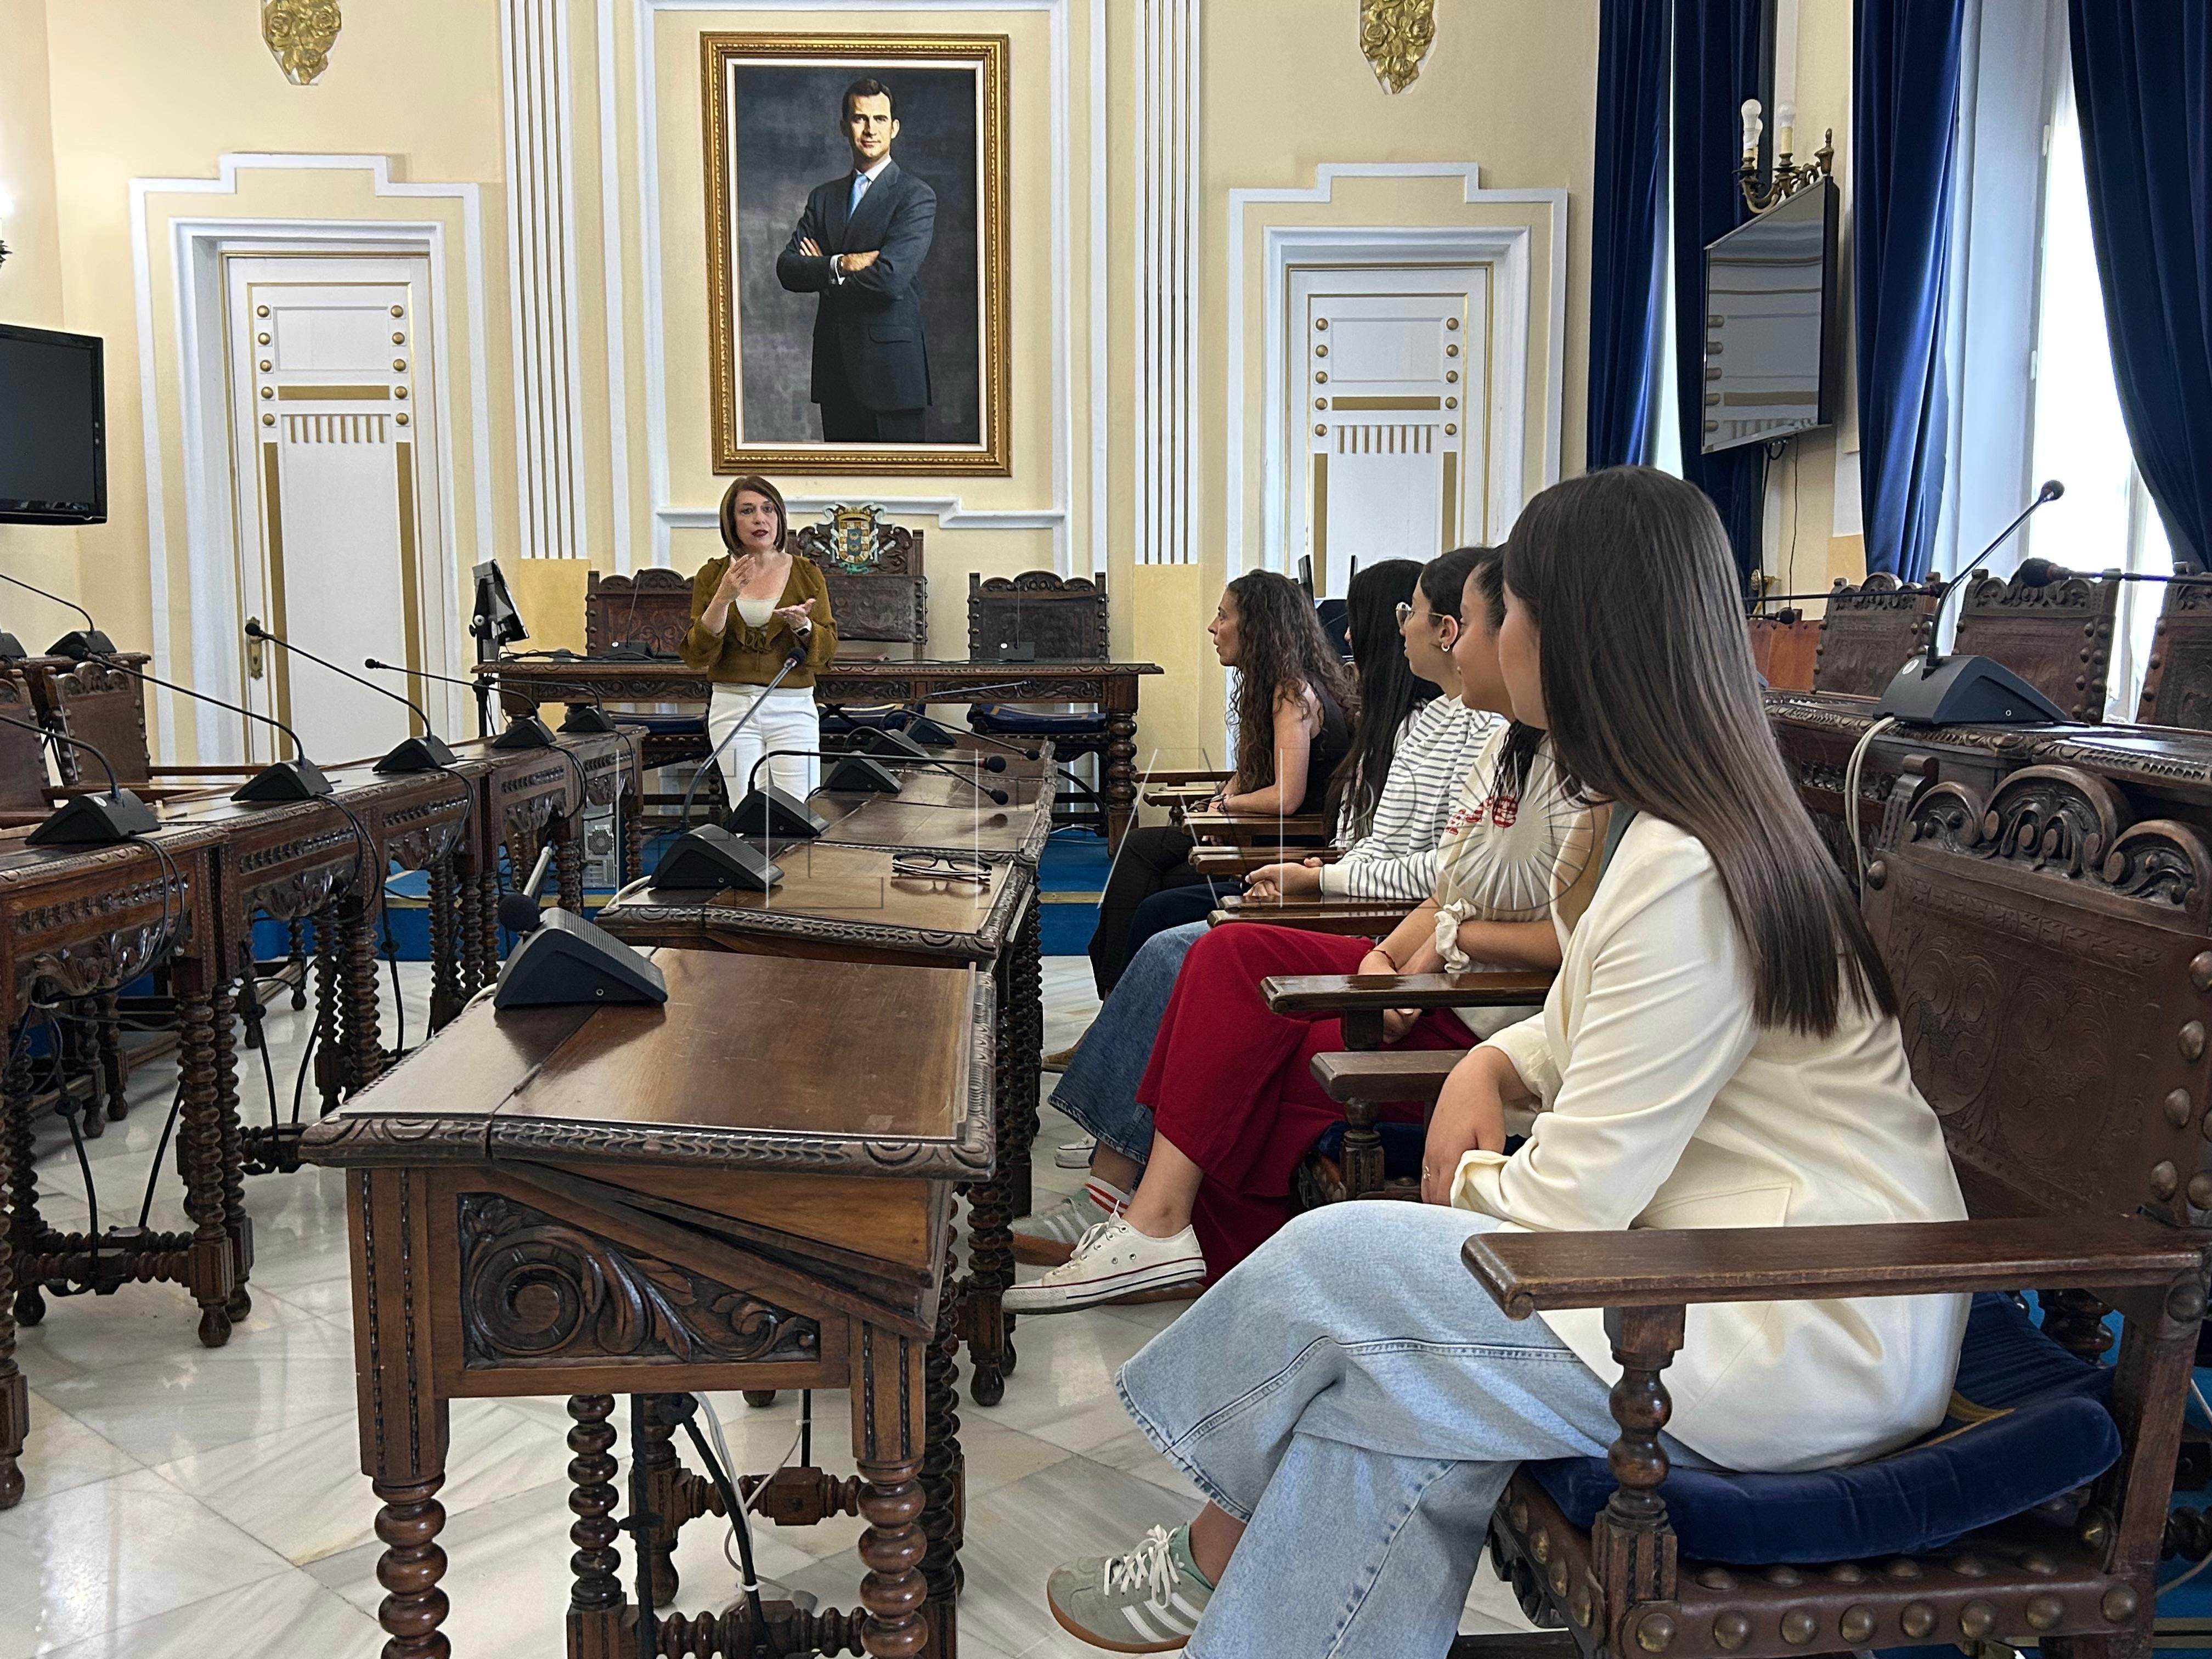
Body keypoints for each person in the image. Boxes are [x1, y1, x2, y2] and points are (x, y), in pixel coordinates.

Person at [1040, 466, 1971, 1656]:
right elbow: (1592, 1018)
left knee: (1343, 1260)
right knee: (1391, 1398)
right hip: (1720, 1274)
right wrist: (1493, 1074)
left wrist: (1462, 1188)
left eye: (1510, 606)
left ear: (1576, 634)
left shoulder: (1683, 862)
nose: (1490, 628)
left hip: (1800, 1322)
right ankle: (1218, 1563)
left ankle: (1206, 1535)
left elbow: (1565, 1208)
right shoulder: (1658, 826)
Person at [1011, 546, 1571, 1305]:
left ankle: (1160, 1220)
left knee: (1212, 966)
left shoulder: (1552, 763)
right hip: (1411, 953)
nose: (1441, 637)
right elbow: (1445, 884)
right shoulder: (1491, 740)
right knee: (1219, 945)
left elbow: (1504, 922)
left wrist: (1355, 903)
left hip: (1465, 1000)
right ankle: (1149, 1213)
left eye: (1462, 623)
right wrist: (1383, 957)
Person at [1086, 571, 1351, 997]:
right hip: (1261, 840)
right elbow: (1252, 771)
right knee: (1139, 855)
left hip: (1285, 852)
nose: (1213, 627)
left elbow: (1287, 797)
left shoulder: (1292, 692)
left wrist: (1226, 810)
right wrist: (1223, 799)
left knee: (1151, 896)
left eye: (1223, 615)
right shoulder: (1275, 683)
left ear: (1258, 626)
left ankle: (1113, 1005)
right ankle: (1113, 1000)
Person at [775, 78, 937, 443]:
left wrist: (822, 274)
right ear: (844, 126)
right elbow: (787, 268)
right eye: (860, 119)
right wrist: (842, 264)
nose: (870, 129)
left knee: (898, 497)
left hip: (893, 380)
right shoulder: (823, 198)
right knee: (842, 498)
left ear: (894, 128)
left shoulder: (915, 197)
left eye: (880, 120)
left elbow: (890, 279)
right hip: (836, 375)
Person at [681, 475, 839, 804]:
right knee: (747, 812)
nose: (760, 519)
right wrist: (722, 599)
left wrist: (804, 626)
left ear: (779, 517)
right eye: (747, 511)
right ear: (731, 522)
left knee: (798, 814)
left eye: (768, 509)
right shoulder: (713, 576)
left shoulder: (807, 573)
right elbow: (697, 653)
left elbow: (827, 649)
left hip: (792, 707)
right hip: (732, 707)